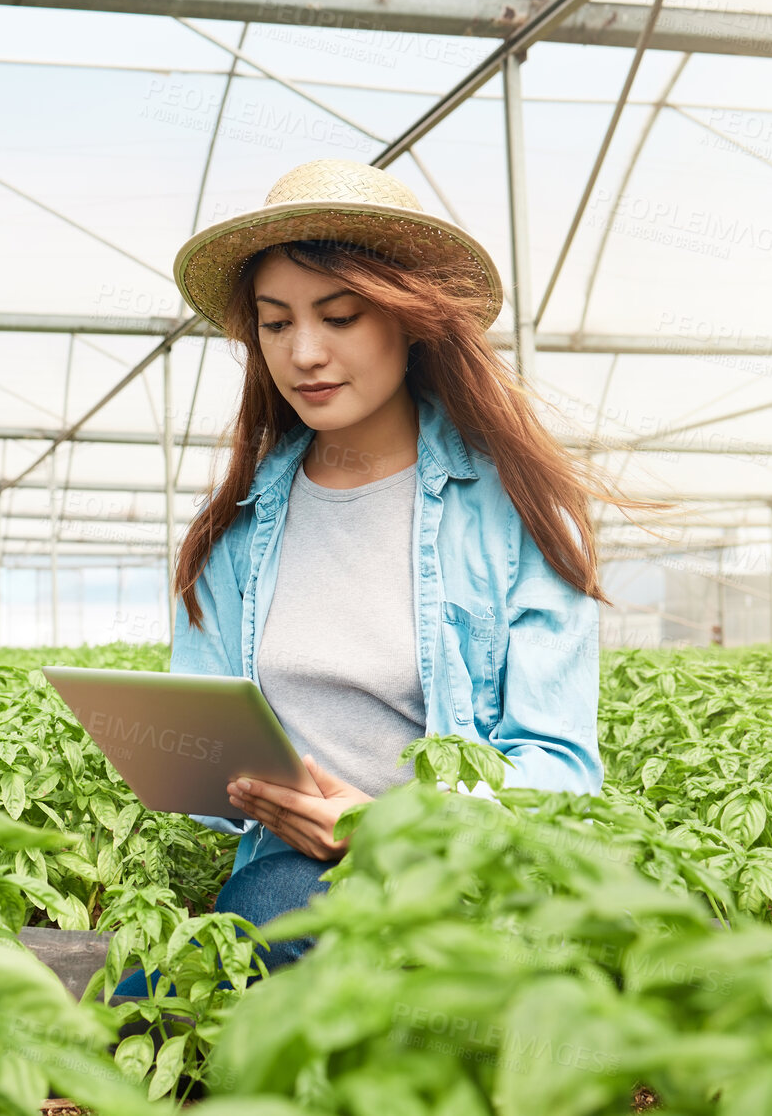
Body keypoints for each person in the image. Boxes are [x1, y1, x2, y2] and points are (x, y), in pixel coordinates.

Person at [134, 158, 646, 984]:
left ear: (411, 321)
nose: (303, 353)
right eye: (273, 324)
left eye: (338, 315)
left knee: (196, 987)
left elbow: (559, 763)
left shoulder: (515, 517)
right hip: (289, 875)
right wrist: (222, 779)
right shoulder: (238, 529)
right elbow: (201, 751)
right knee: (237, 945)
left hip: (466, 885)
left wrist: (390, 827)